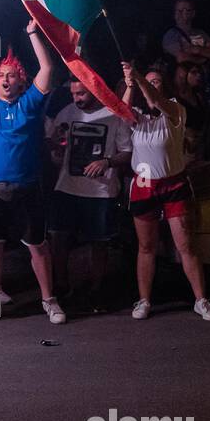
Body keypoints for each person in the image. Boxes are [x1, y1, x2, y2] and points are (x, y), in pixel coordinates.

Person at [0, 6, 65, 325]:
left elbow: (47, 69)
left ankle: (50, 300)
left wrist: (33, 34)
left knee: (37, 245)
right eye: (1, 75)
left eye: (12, 75)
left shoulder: (31, 103)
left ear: (21, 81)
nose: (6, 79)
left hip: (28, 186)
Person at [122, 63, 210, 322]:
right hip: (144, 185)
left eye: (156, 81)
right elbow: (121, 111)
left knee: (185, 244)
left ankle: (201, 300)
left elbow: (157, 100)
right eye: (149, 81)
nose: (152, 85)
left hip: (173, 183)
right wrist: (130, 85)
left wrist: (139, 76)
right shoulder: (139, 117)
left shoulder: (174, 109)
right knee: (146, 246)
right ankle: (144, 300)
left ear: (163, 86)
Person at [45, 79, 133, 313]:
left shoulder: (114, 114)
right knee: (59, 238)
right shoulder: (67, 112)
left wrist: (107, 162)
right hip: (67, 186)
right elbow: (52, 140)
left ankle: (97, 290)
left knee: (99, 242)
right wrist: (55, 146)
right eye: (73, 94)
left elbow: (127, 152)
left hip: (100, 190)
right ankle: (62, 285)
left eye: (82, 93)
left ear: (94, 90)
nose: (77, 99)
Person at [162, 0, 210, 69]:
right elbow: (181, 58)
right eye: (179, 10)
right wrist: (204, 59)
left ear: (193, 13)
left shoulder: (200, 33)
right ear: (175, 14)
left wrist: (197, 50)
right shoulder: (171, 34)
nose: (183, 13)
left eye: (187, 10)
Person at [173, 61, 209, 163]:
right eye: (193, 72)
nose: (198, 75)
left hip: (200, 144)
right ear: (182, 75)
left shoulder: (198, 96)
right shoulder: (175, 99)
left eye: (199, 72)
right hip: (184, 147)